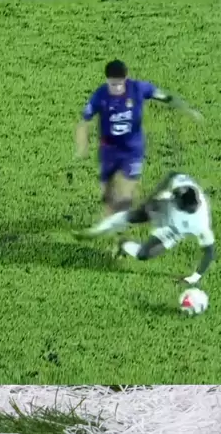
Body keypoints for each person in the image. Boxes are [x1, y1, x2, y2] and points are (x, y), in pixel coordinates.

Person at [75, 60, 203, 215]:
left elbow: (166, 97)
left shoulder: (138, 89)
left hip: (132, 149)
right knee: (107, 195)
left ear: (126, 78)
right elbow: (85, 120)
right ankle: (114, 213)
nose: (116, 88)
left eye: (119, 84)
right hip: (109, 149)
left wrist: (188, 110)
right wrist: (82, 145)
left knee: (125, 196)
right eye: (113, 84)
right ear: (107, 80)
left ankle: (120, 218)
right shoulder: (100, 95)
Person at [85, 172, 215, 285]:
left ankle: (123, 244)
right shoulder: (185, 187)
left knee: (143, 254)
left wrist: (194, 278)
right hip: (162, 208)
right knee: (136, 216)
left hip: (172, 230)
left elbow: (209, 253)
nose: (174, 198)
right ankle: (100, 228)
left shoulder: (200, 223)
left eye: (177, 201)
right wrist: (152, 197)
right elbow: (173, 175)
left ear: (184, 208)